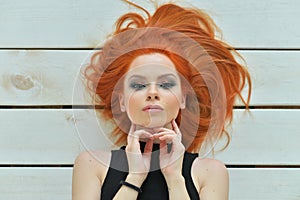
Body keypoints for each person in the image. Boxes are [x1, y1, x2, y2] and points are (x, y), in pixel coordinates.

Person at [72, 1, 252, 199]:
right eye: (138, 85)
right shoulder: (91, 165)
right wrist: (134, 178)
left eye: (166, 84)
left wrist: (175, 178)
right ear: (121, 102)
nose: (152, 93)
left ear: (183, 98)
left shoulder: (210, 172)